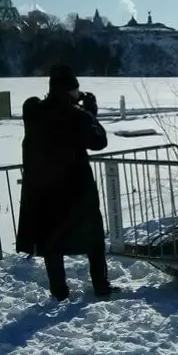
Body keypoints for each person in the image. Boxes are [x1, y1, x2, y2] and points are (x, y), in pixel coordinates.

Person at [16, 64, 121, 301]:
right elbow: (99, 142)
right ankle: (101, 285)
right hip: (77, 189)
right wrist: (90, 113)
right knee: (93, 238)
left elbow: (36, 106)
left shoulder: (34, 112)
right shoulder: (78, 116)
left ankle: (59, 290)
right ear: (70, 91)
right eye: (75, 90)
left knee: (52, 241)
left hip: (45, 189)